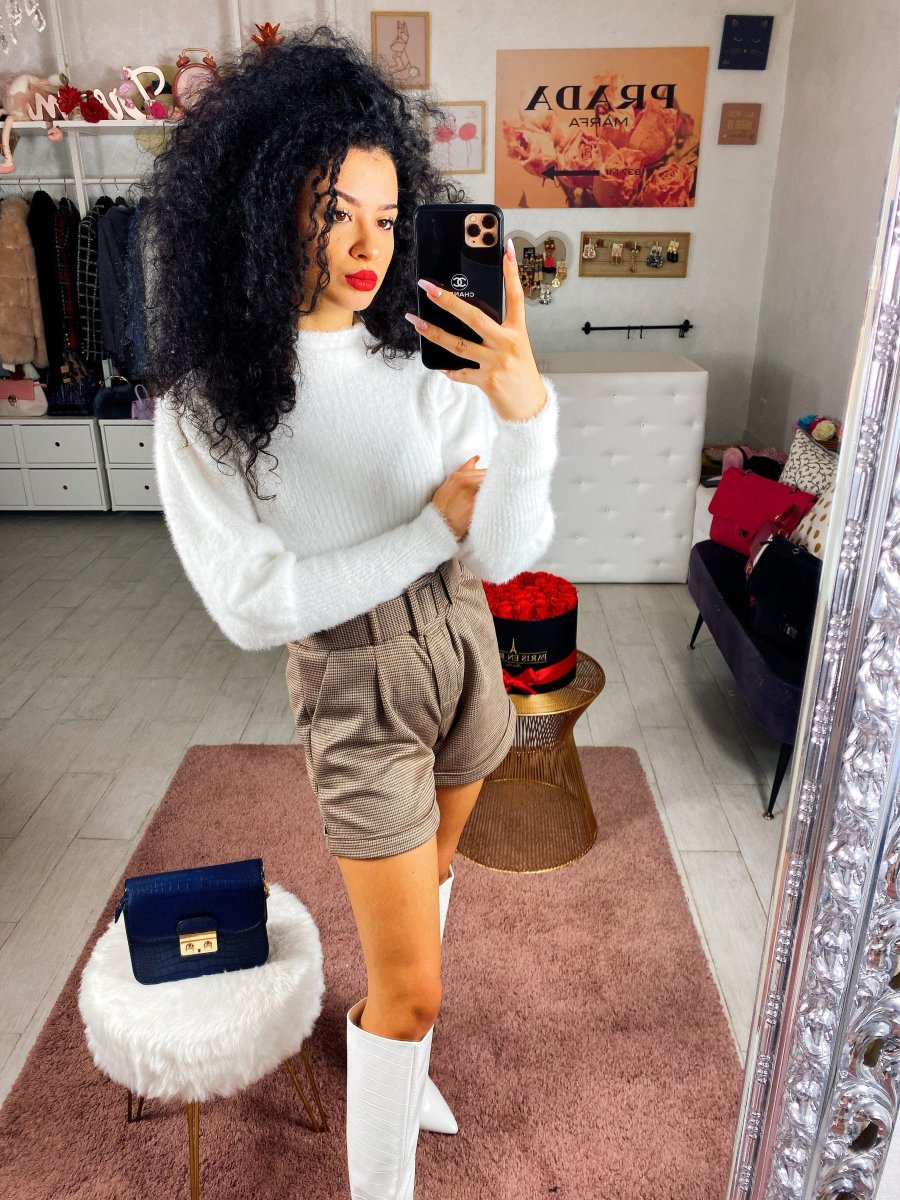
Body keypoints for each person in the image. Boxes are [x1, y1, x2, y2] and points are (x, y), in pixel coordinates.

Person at [140, 24, 559, 1200]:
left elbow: (505, 550)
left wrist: (525, 414)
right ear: (266, 199)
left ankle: (396, 1059)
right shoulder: (206, 403)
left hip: (464, 647)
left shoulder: (428, 351)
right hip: (355, 684)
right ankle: (395, 1080)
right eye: (335, 212)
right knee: (413, 984)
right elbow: (253, 606)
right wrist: (426, 532)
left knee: (432, 892)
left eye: (387, 215)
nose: (370, 247)